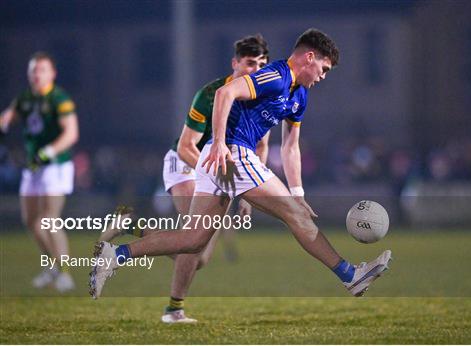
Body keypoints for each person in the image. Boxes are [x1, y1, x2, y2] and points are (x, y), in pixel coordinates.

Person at [90, 28, 391, 301]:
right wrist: (219, 141)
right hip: (233, 154)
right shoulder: (276, 76)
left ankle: (115, 255)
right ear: (309, 57)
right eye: (323, 69)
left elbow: (289, 146)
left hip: (227, 161)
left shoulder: (299, 95)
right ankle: (351, 275)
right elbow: (226, 92)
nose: (323, 76)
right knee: (296, 217)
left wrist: (297, 191)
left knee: (194, 241)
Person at [98, 34, 270, 323]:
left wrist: (247, 189)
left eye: (262, 64)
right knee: (192, 242)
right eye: (250, 63)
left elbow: (262, 146)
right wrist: (221, 175)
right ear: (235, 63)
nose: (256, 70)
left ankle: (132, 226)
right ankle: (173, 310)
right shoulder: (211, 93)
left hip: (223, 173)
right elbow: (186, 146)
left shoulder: (263, 96)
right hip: (186, 165)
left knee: (199, 257)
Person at [0, 52, 79, 292]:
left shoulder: (59, 98)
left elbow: (71, 134)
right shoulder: (25, 98)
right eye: (34, 70)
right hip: (33, 166)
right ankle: (53, 266)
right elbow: (7, 118)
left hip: (56, 165)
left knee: (50, 219)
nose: (37, 74)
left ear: (52, 73)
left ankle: (65, 273)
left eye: (42, 70)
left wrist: (48, 152)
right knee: (31, 221)